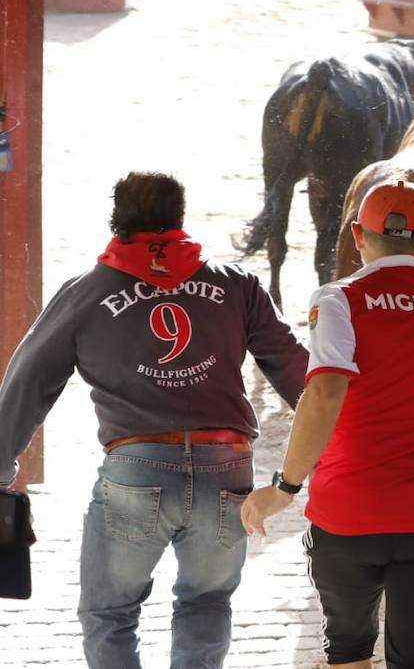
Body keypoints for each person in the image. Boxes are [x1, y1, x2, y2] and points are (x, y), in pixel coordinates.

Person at [0, 171, 308, 668]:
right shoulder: (238, 285)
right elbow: (301, 377)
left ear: (116, 222)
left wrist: (0, 465)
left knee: (109, 614)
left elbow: (28, 380)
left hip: (136, 473)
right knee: (206, 606)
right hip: (226, 471)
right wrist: (347, 443)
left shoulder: (86, 293)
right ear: (180, 219)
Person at [240, 180, 414, 669]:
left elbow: (325, 392)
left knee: (348, 655)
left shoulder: (337, 300)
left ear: (357, 235)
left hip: (347, 515)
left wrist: (285, 487)